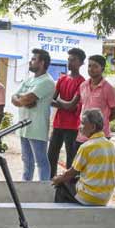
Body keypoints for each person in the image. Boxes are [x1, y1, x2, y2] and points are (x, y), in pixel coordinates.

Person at [52, 110, 115, 205]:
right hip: (105, 197)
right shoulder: (110, 145)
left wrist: (57, 179)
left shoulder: (87, 146)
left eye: (82, 123)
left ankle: (61, 216)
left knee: (61, 185)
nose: (79, 127)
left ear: (93, 127)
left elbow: (71, 173)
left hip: (90, 196)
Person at [13, 49, 57, 180]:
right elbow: (14, 98)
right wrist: (24, 100)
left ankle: (44, 190)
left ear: (42, 63)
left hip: (37, 128)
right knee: (27, 162)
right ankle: (26, 189)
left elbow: (26, 98)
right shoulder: (29, 80)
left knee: (41, 162)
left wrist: (23, 99)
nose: (30, 62)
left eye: (33, 59)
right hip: (23, 127)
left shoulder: (47, 81)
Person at [50, 48, 86, 176]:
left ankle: (69, 186)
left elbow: (71, 106)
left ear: (81, 63)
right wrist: (65, 104)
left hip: (72, 126)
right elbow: (51, 100)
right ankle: (51, 182)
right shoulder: (62, 79)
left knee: (71, 158)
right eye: (69, 60)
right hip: (58, 123)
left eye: (73, 60)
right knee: (51, 156)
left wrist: (60, 101)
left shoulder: (82, 83)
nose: (70, 62)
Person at [78, 54, 115, 142]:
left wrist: (101, 121)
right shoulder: (83, 86)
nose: (91, 69)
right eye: (89, 66)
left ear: (102, 69)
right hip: (83, 135)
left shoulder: (108, 88)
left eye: (95, 66)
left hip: (101, 136)